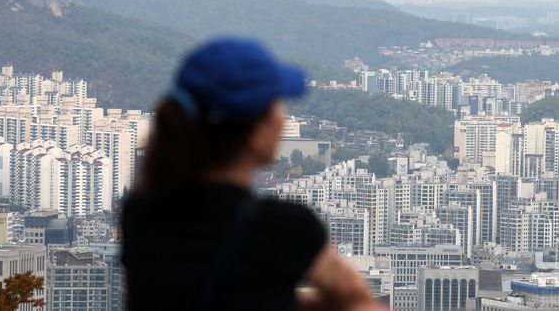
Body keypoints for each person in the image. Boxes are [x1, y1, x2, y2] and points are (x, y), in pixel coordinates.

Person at [122, 39, 384, 311]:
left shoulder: (140, 213)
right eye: (276, 104)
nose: (283, 115)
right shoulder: (282, 227)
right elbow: (356, 298)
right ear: (254, 133)